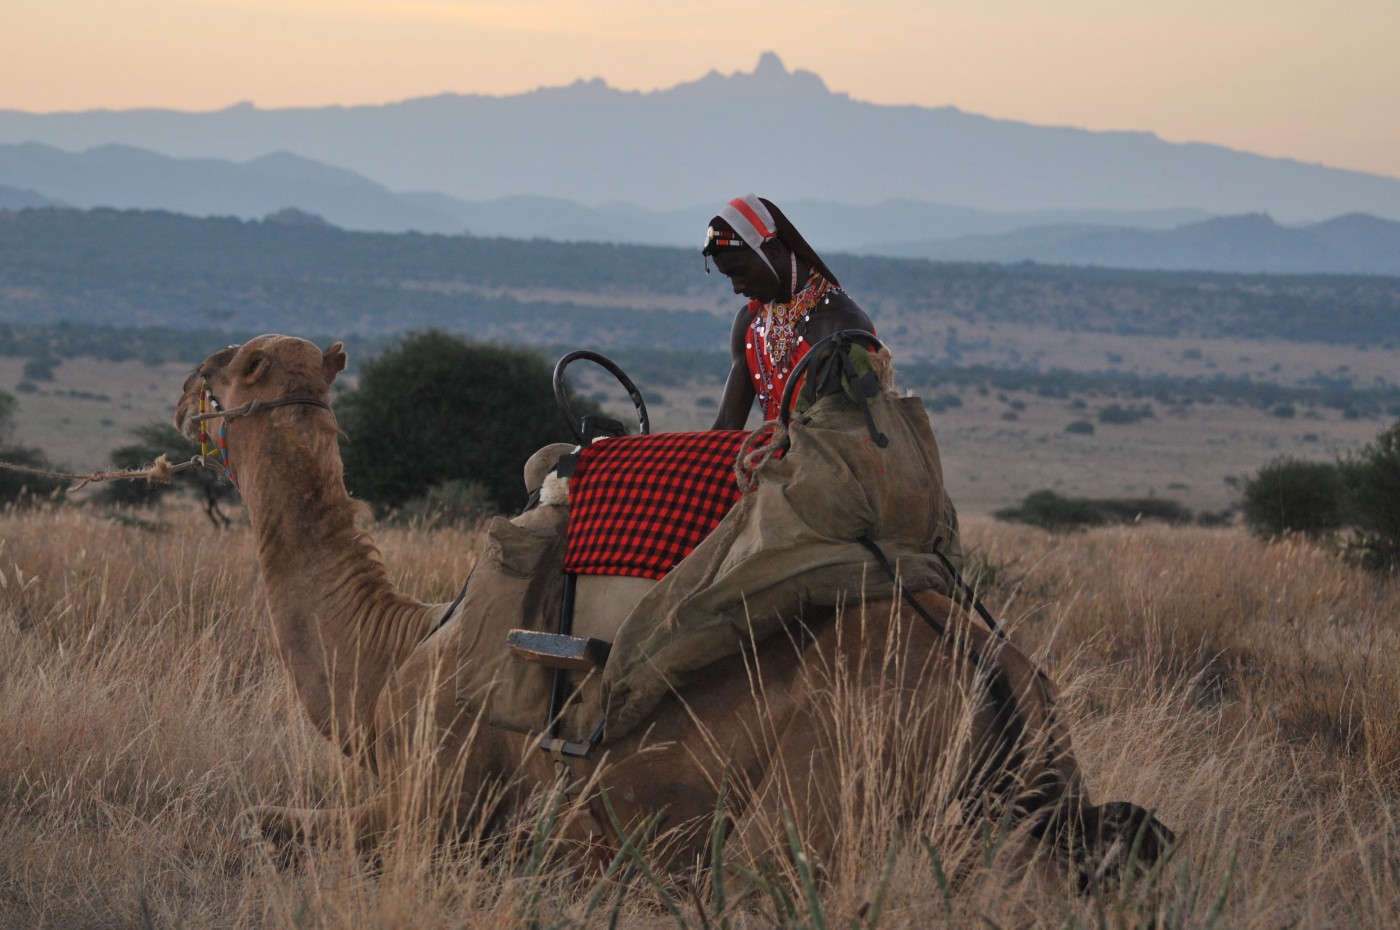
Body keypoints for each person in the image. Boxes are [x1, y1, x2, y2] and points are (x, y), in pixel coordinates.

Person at [702, 194, 876, 430]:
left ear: (772, 249)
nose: (736, 287)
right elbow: (726, 426)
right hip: (774, 461)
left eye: (740, 272)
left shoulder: (842, 324)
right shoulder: (749, 323)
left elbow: (838, 436)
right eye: (729, 276)